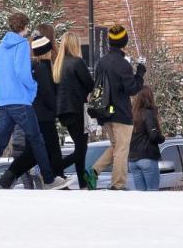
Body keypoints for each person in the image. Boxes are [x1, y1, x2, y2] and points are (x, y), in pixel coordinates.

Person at [0, 13, 63, 190]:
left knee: (0, 141)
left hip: (4, 101)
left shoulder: (1, 46)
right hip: (20, 100)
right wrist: (32, 88)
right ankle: (49, 180)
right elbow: (21, 71)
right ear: (24, 27)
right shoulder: (22, 45)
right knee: (37, 139)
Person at [0, 34, 62, 189]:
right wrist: (56, 110)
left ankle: (7, 178)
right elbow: (47, 93)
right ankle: (55, 180)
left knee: (33, 152)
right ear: (46, 51)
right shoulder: (42, 67)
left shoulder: (34, 66)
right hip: (44, 116)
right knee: (52, 149)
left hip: (36, 114)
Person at [92, 24, 146, 191]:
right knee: (122, 149)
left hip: (107, 112)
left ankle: (93, 171)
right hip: (121, 113)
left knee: (116, 147)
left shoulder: (101, 62)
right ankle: (118, 184)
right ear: (125, 41)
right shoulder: (123, 64)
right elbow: (132, 89)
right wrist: (140, 72)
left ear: (109, 42)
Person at [54, 32, 96, 189]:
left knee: (80, 148)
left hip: (63, 112)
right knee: (81, 150)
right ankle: (54, 171)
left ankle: (83, 184)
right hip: (77, 110)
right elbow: (90, 84)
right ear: (74, 45)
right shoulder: (77, 62)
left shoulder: (58, 64)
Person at [127, 85, 165, 190]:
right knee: (152, 194)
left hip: (132, 160)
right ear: (149, 97)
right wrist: (161, 138)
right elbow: (153, 135)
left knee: (141, 197)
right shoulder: (148, 113)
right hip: (147, 157)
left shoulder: (131, 115)